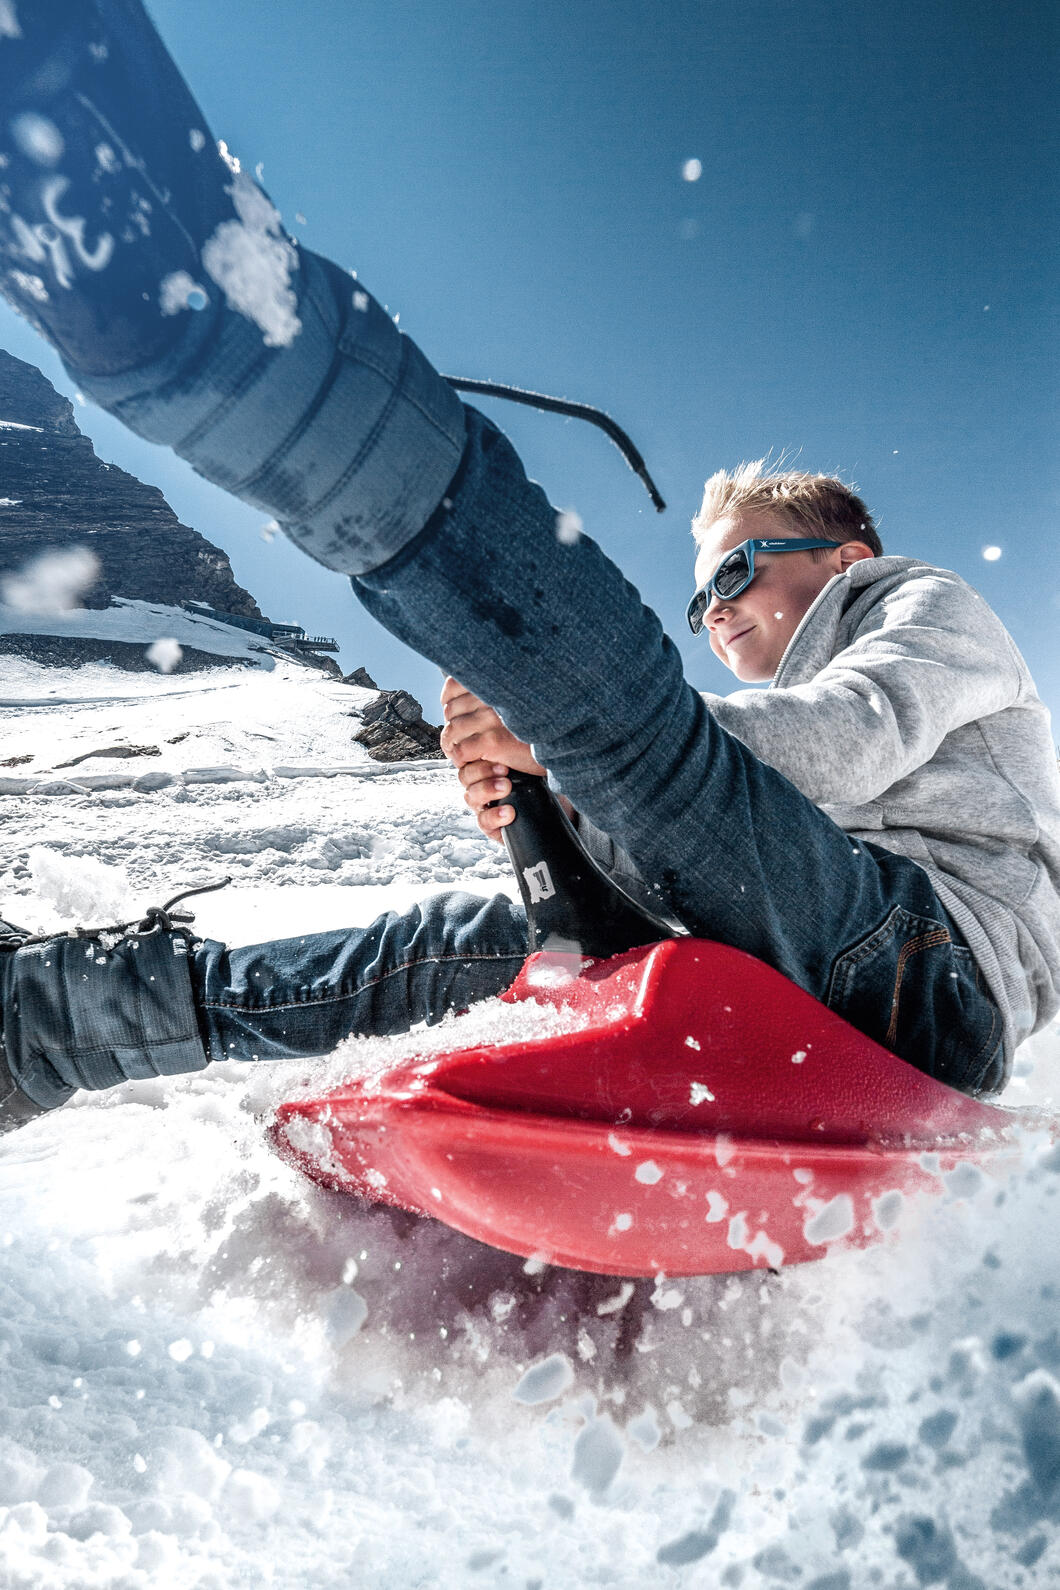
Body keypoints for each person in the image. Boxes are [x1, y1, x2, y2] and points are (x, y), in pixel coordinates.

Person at [1, 0, 1058, 1137]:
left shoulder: (915, 603)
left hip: (931, 975)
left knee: (637, 739)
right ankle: (49, 1024)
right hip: (815, 963)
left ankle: (252, 357)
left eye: (738, 569)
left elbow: (845, 742)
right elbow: (719, 820)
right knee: (471, 940)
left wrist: (572, 742)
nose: (712, 608)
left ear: (843, 555)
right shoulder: (766, 790)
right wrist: (548, 810)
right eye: (701, 594)